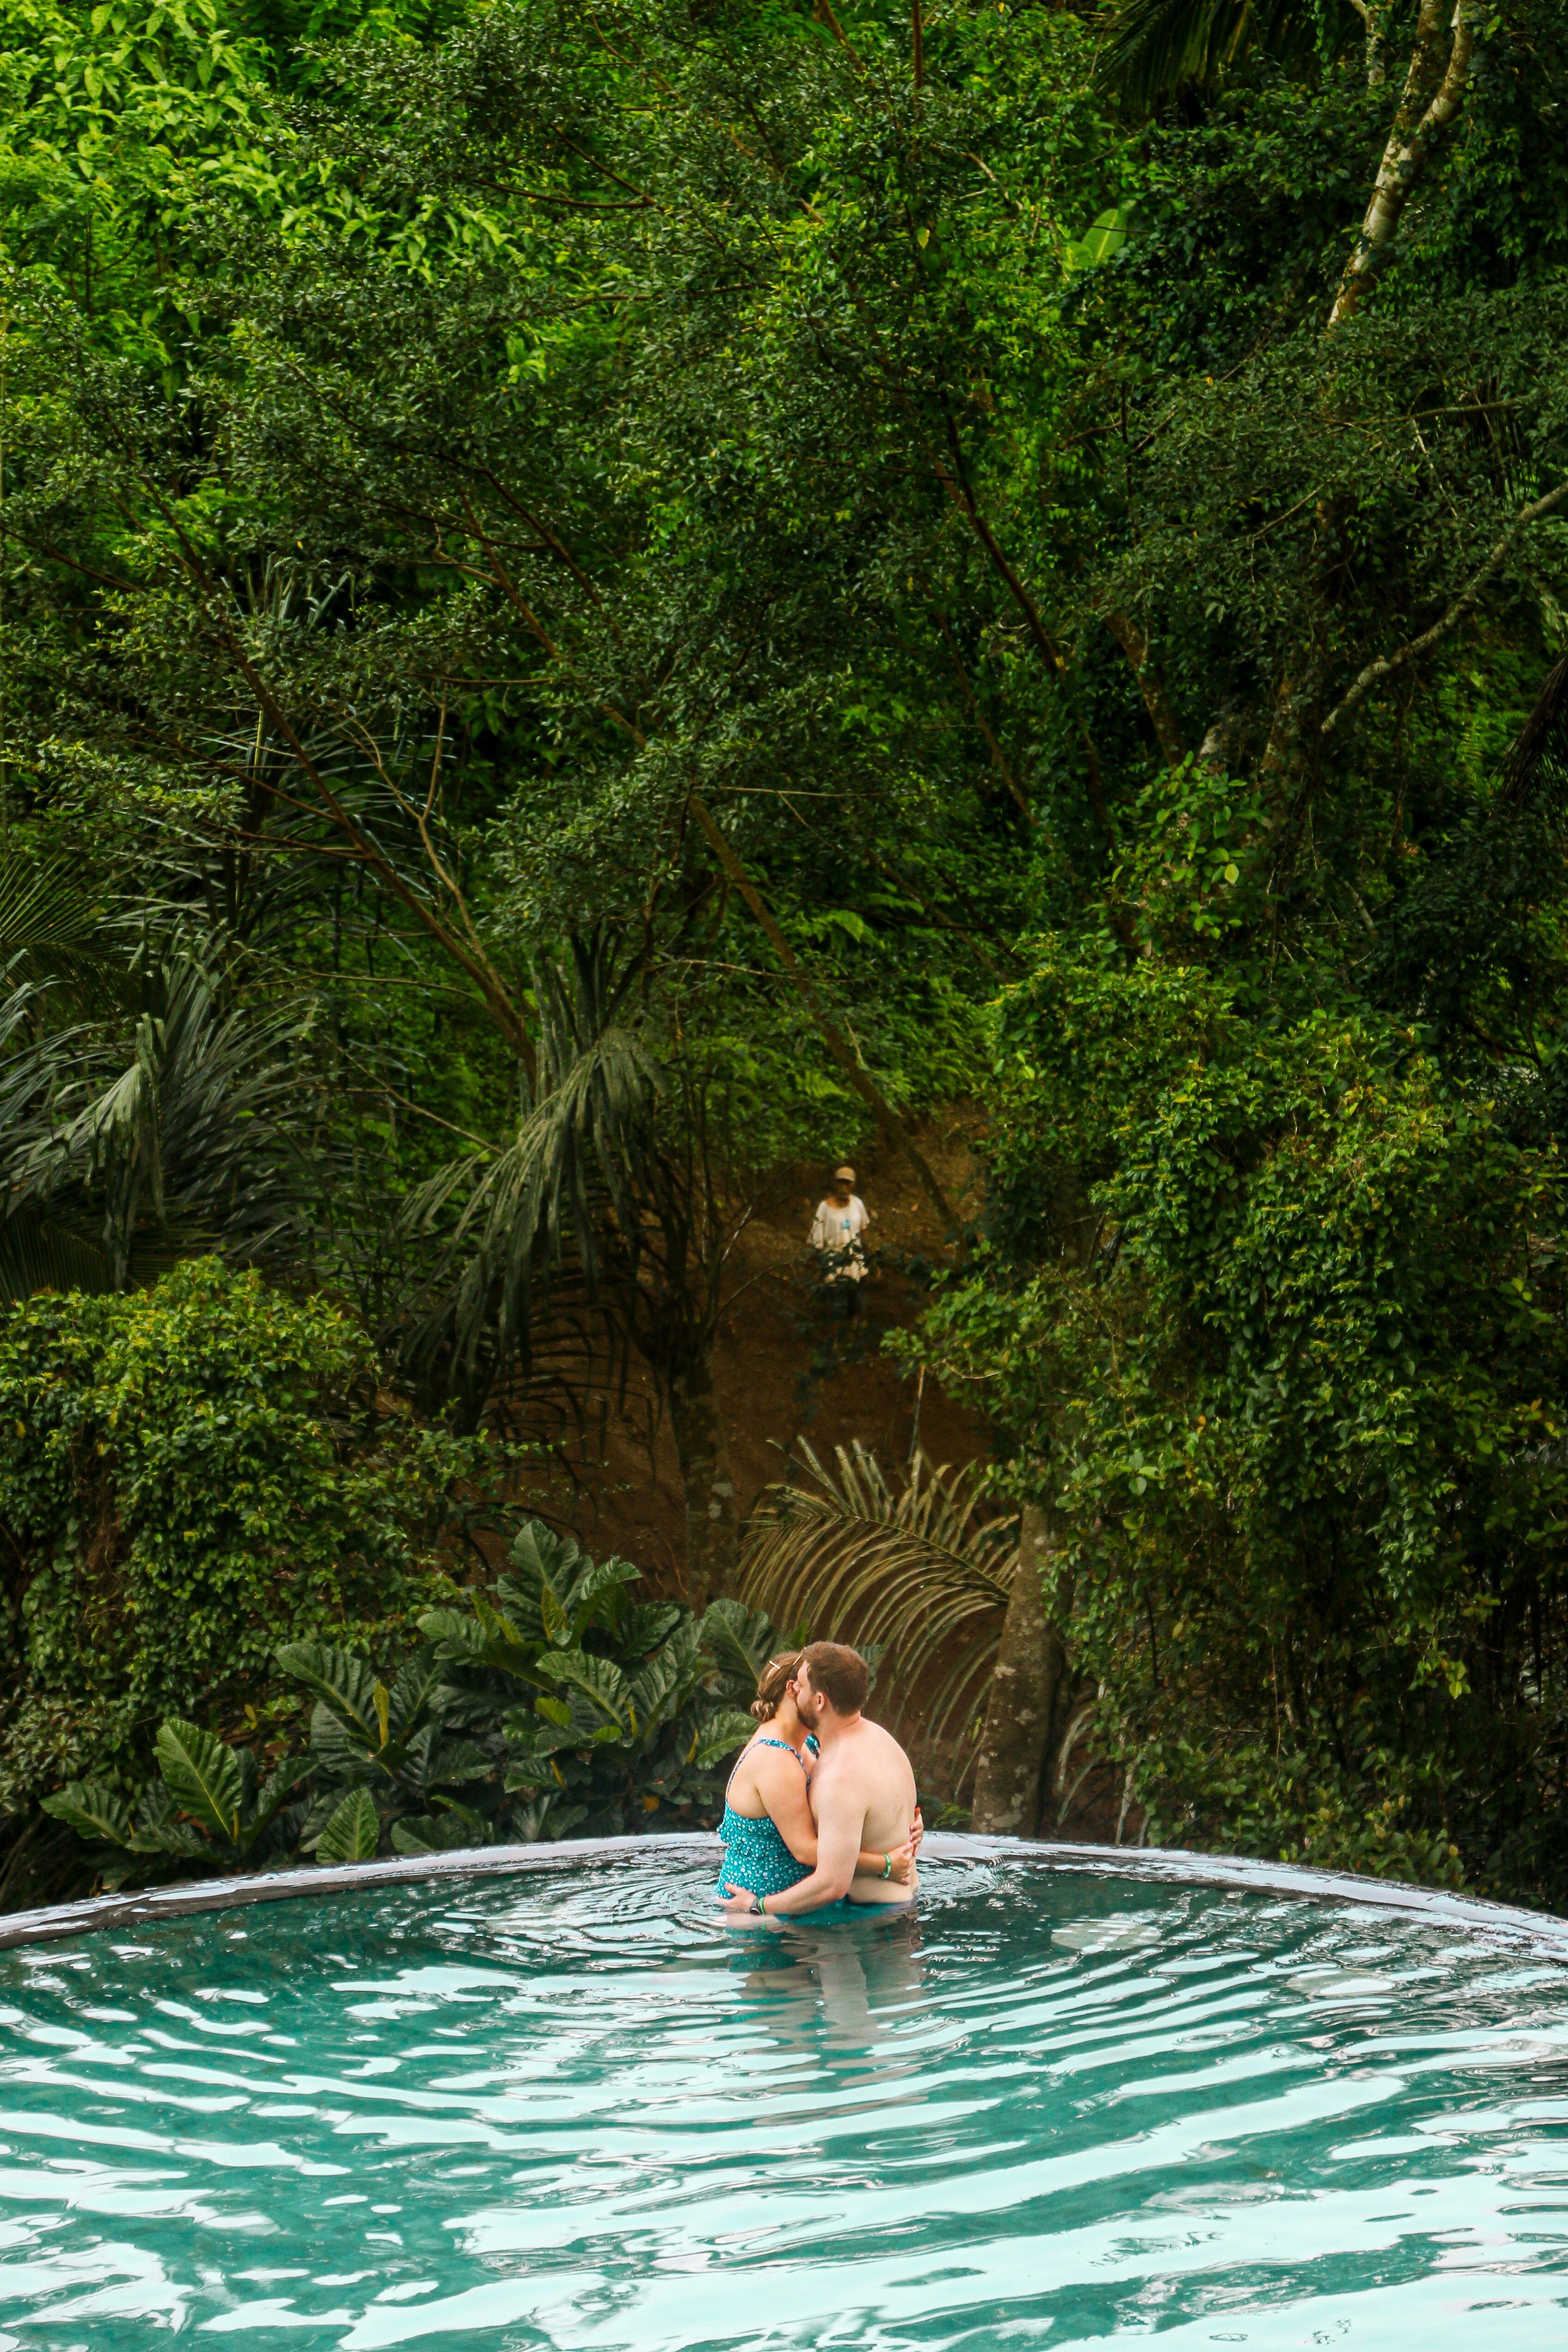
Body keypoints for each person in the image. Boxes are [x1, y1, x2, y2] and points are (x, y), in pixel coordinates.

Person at [719, 1642, 920, 1921]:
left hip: (862, 1917)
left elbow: (831, 1881)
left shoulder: (832, 1766)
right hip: (887, 1909)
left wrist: (758, 1906)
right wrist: (890, 1860)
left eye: (800, 1685)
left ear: (820, 1701)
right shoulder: (883, 1741)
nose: (795, 1689)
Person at [808, 1165, 870, 1316]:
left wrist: (869, 1259)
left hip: (855, 1262)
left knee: (857, 1306)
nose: (844, 1187)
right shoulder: (824, 1209)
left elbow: (864, 1232)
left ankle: (853, 1334)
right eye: (841, 1183)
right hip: (833, 1262)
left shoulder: (858, 1205)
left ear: (853, 1185)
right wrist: (816, 1269)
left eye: (847, 1183)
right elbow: (817, 1242)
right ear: (835, 1184)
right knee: (837, 1306)